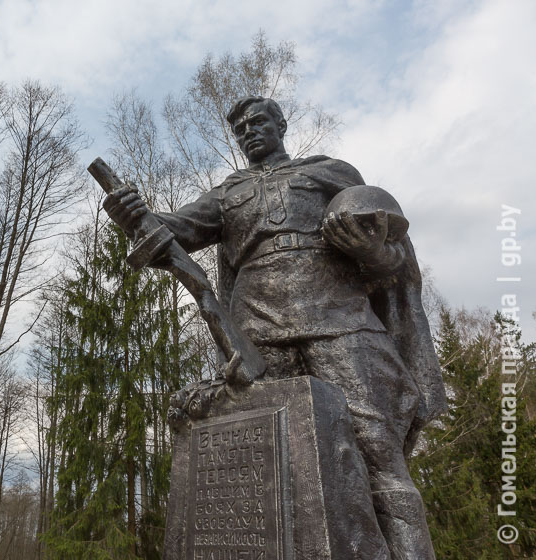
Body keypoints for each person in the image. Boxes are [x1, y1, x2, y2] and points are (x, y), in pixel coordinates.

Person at [104, 95, 445, 559]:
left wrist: (372, 251)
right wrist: (133, 215)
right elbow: (175, 228)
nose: (248, 131)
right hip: (257, 326)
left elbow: (391, 254)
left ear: (281, 124)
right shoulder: (229, 193)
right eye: (240, 128)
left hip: (339, 317)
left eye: (257, 121)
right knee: (271, 462)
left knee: (378, 455)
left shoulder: (330, 173)